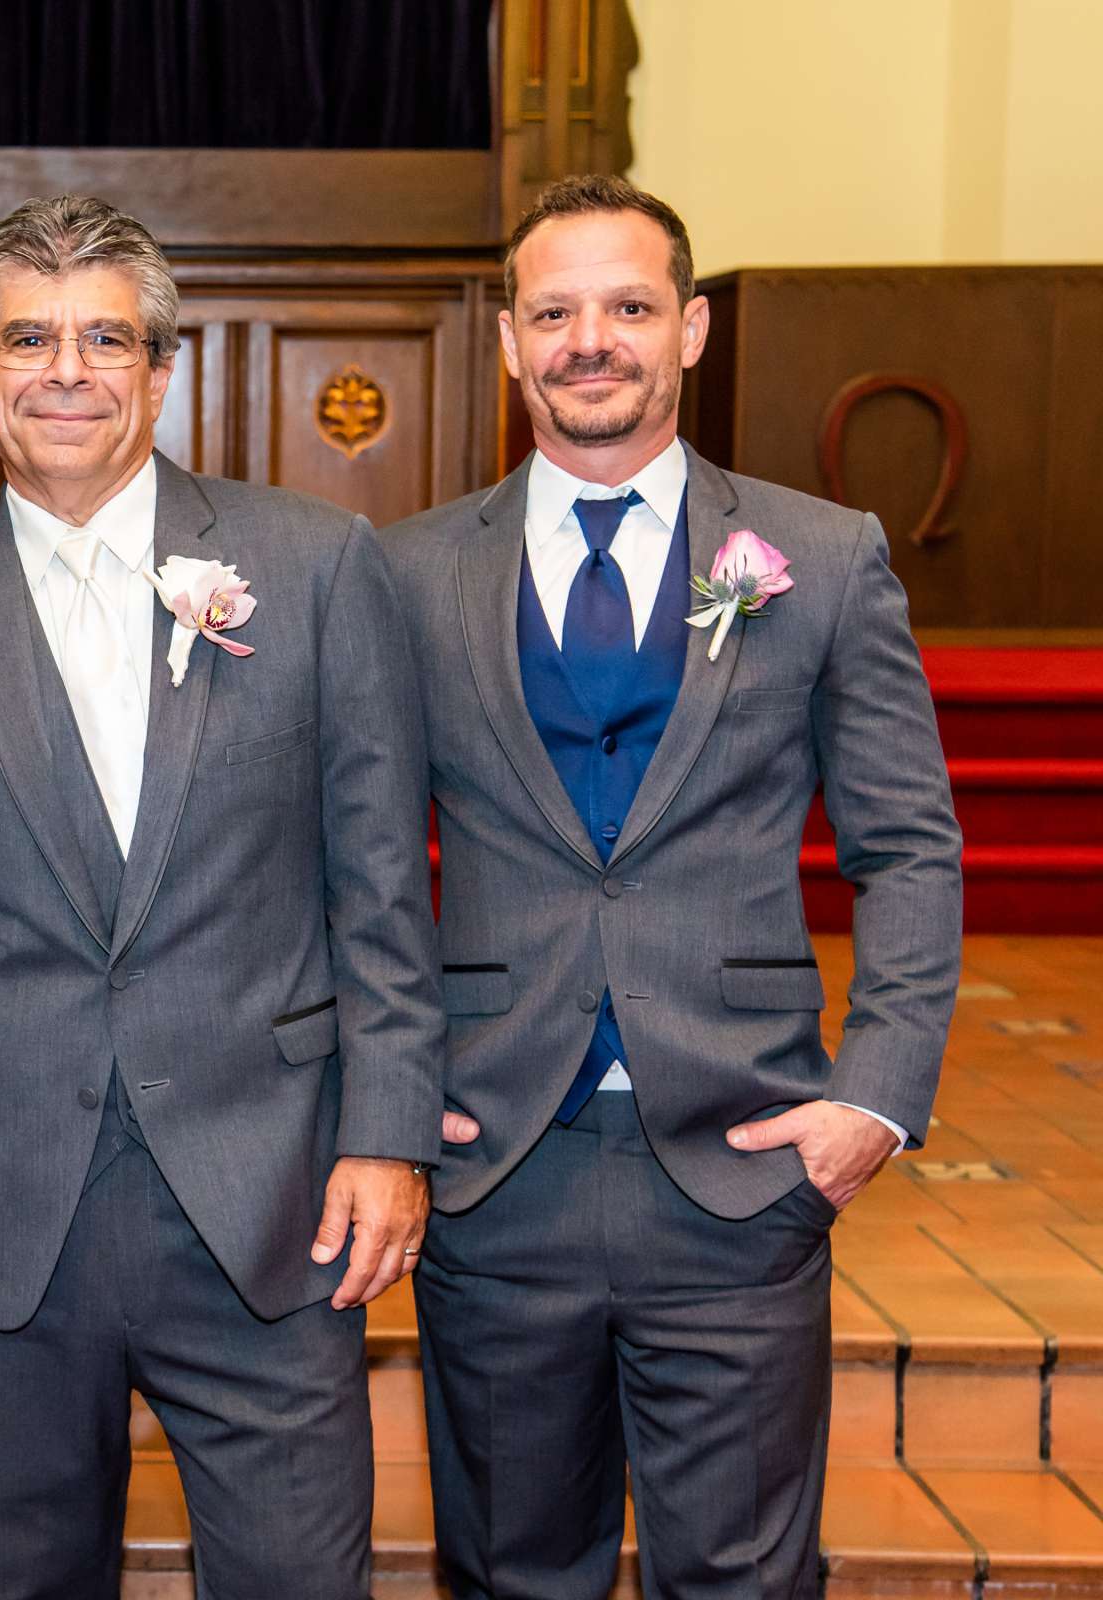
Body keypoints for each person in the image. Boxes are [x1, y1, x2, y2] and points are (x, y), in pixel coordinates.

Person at [0, 194, 444, 1599]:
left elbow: (382, 888)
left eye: (108, 338)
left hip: (274, 1199)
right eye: (28, 339)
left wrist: (390, 1127)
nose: (67, 371)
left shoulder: (319, 568)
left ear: (165, 372)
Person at [381, 173, 962, 1599]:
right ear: (510, 342)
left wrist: (873, 1098)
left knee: (747, 1580)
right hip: (494, 1160)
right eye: (557, 312)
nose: (594, 340)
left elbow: (907, 845)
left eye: (630, 307)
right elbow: (357, 865)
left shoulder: (822, 560)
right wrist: (383, 1092)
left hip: (746, 1161)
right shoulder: (402, 576)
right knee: (514, 1570)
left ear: (690, 329)